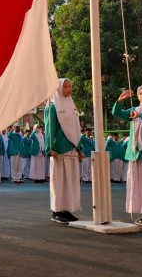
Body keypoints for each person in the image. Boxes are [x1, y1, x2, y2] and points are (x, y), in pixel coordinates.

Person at [45, 78, 83, 224]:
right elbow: (50, 129)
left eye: (70, 86)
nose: (69, 89)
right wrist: (50, 148)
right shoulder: (53, 106)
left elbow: (76, 129)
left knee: (70, 182)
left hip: (72, 150)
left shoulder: (72, 106)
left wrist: (80, 149)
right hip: (59, 150)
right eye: (66, 87)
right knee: (59, 181)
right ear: (59, 89)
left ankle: (66, 210)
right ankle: (56, 211)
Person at [111, 86, 142, 226]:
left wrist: (141, 116)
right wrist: (119, 101)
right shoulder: (134, 110)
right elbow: (116, 112)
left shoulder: (138, 113)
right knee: (138, 185)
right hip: (136, 153)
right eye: (141, 93)